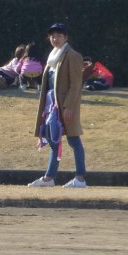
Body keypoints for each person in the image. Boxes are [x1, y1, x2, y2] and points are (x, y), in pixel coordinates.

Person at [29, 22, 88, 188]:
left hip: (65, 106)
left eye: (59, 36)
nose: (55, 39)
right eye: (52, 36)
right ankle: (49, 178)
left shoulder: (73, 56)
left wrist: (68, 106)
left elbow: (75, 85)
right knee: (53, 140)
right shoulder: (52, 56)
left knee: (74, 140)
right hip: (51, 106)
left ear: (66, 37)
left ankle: (80, 178)